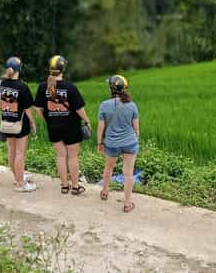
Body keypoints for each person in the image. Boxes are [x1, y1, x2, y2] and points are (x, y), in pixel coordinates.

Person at [34, 55, 91, 195]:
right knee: (72, 157)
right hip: (71, 127)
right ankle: (76, 187)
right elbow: (79, 109)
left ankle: (64, 186)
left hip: (53, 127)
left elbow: (37, 109)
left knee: (60, 156)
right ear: (63, 69)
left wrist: (47, 119)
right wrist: (87, 121)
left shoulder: (43, 87)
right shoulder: (70, 87)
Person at [0, 57, 37, 192]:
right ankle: (21, 184)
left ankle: (17, 178)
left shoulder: (1, 83)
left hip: (6, 123)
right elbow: (27, 109)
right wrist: (32, 122)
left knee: (11, 152)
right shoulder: (22, 86)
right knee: (20, 153)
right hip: (20, 124)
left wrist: (0, 108)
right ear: (20, 69)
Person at [97, 75, 140, 213]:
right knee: (128, 174)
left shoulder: (104, 105)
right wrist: (133, 139)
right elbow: (136, 129)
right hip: (130, 143)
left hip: (112, 144)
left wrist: (100, 143)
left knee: (108, 168)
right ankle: (127, 203)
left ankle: (104, 191)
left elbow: (100, 128)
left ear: (111, 88)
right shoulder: (132, 105)